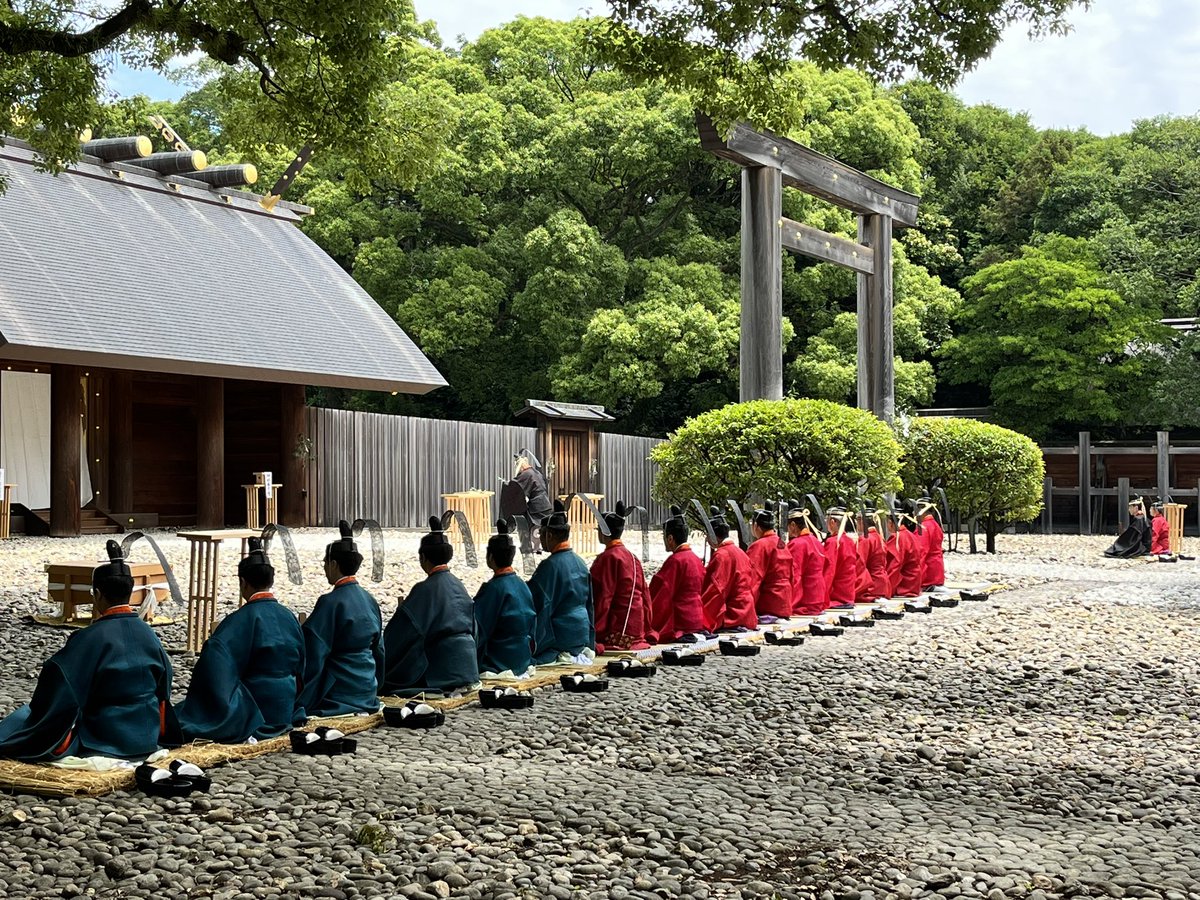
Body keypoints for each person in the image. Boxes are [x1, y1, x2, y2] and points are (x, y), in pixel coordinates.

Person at [0, 540, 175, 761]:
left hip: (104, 736)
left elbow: (61, 683)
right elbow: (165, 685)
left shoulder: (89, 638)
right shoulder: (149, 633)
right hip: (148, 735)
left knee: (21, 719)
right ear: (130, 592)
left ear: (98, 594)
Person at [176, 538, 305, 742]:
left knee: (181, 716)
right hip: (287, 705)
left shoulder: (238, 621)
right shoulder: (289, 617)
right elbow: (302, 665)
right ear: (271, 580)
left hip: (253, 708)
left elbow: (214, 667)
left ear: (243, 583)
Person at [383, 516, 480, 696]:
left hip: (439, 669)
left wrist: (402, 612)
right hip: (469, 667)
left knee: (388, 679)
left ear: (423, 558)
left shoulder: (424, 589)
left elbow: (402, 632)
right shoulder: (459, 585)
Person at [298, 521, 385, 716]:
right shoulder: (369, 599)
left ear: (334, 564)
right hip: (367, 686)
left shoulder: (330, 602)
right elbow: (379, 649)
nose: (324, 568)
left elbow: (314, 650)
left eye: (325, 563)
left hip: (340, 690)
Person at [530, 500, 595, 664]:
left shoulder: (549, 566)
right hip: (582, 633)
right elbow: (590, 604)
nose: (541, 540)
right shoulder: (580, 562)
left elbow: (538, 603)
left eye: (542, 535)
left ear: (549, 535)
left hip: (561, 636)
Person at [473, 519, 537, 676]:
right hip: (523, 656)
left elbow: (478, 628)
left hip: (500, 658)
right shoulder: (522, 585)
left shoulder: (493, 589)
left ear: (490, 557)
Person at [590, 501, 653, 652]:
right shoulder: (632, 557)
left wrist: (593, 628)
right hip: (637, 628)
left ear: (604, 532)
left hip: (619, 629)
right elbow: (645, 594)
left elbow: (603, 596)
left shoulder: (608, 558)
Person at [648, 506, 707, 641]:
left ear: (670, 538)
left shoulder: (675, 560)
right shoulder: (695, 559)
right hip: (697, 618)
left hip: (681, 621)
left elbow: (661, 593)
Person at [699, 506, 757, 632]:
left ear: (713, 535)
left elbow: (715, 590)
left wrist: (701, 618)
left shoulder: (721, 555)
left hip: (733, 614)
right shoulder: (740, 552)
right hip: (747, 611)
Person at [746, 508, 793, 620]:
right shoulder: (781, 543)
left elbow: (753, 579)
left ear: (756, 525)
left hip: (768, 604)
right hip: (785, 603)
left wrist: (747, 608)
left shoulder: (759, 545)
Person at [785, 503, 826, 615]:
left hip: (807, 598)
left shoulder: (797, 544)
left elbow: (795, 576)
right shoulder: (816, 541)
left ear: (793, 525)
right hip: (819, 596)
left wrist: (790, 604)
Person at [823, 508, 858, 610]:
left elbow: (829, 571)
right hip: (848, 593)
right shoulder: (850, 541)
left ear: (832, 522)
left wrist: (822, 595)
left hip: (837, 596)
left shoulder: (833, 542)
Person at [856, 508, 891, 603]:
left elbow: (859, 565)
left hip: (872, 587)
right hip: (883, 584)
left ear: (861, 521)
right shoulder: (879, 537)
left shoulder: (865, 539)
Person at [917, 499, 946, 589]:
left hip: (929, 574)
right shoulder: (935, 524)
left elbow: (921, 553)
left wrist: (917, 578)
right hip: (937, 570)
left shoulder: (924, 527)